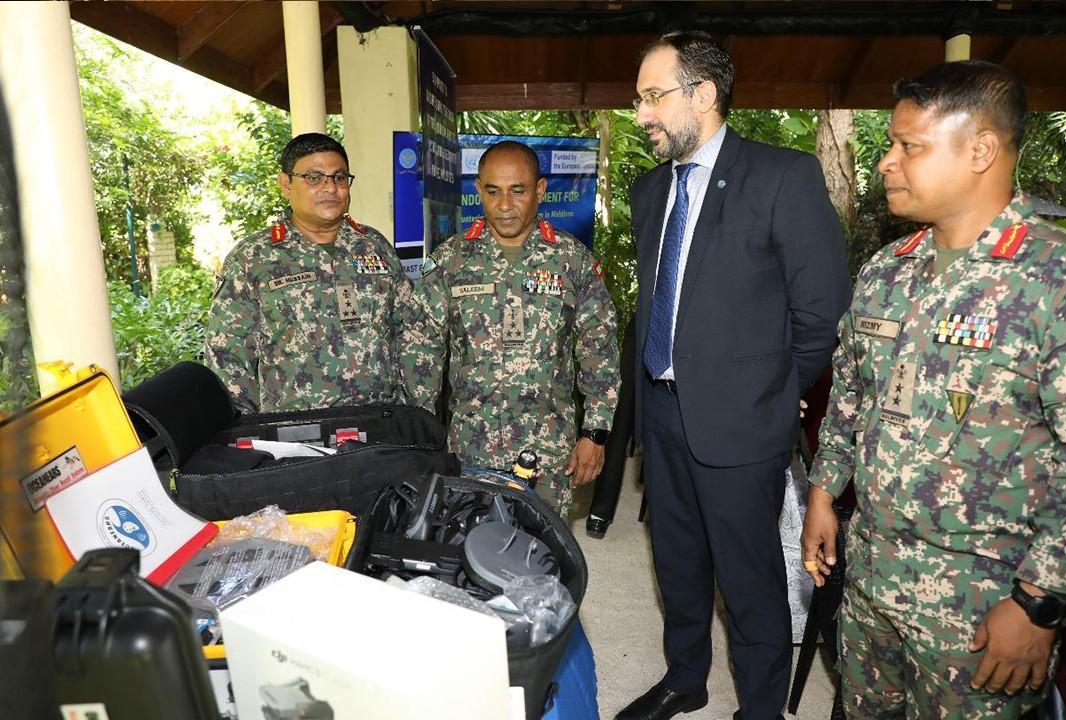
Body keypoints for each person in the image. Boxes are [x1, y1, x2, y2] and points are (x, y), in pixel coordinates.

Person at [801, 60, 1066, 719]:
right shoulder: (886, 272)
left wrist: (1040, 602)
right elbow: (852, 401)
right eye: (892, 145)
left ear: (981, 148)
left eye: (909, 147)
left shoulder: (1056, 281)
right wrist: (821, 494)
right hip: (872, 577)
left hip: (984, 604)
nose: (887, 163)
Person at [619, 32, 851, 720]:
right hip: (660, 415)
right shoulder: (649, 189)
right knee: (677, 563)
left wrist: (766, 393)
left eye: (653, 96)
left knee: (749, 585)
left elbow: (823, 315)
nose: (641, 115)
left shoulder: (783, 177)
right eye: (638, 99)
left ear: (705, 95)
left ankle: (758, 708)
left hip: (743, 424)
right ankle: (685, 678)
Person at [402, 141, 620, 518]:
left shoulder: (572, 261)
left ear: (539, 190)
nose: (504, 205)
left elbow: (598, 349)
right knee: (467, 553)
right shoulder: (450, 262)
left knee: (545, 559)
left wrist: (596, 433)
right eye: (493, 190)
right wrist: (421, 441)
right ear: (479, 191)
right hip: (470, 448)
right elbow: (420, 353)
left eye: (517, 190)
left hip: (549, 452)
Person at [205, 132, 411, 414]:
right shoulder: (253, 258)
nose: (330, 188)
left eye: (339, 178)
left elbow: (410, 333)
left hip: (380, 425)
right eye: (314, 178)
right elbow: (226, 355)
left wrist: (411, 411)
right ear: (286, 184)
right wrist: (247, 435)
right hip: (298, 436)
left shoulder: (374, 246)